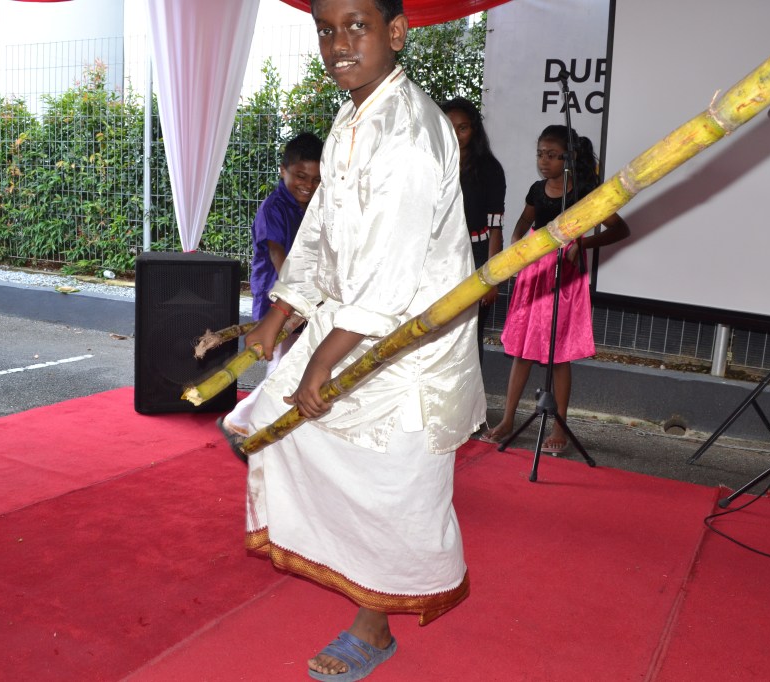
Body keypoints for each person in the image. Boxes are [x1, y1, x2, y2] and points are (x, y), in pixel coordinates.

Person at [240, 0, 484, 679]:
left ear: (395, 33)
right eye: (326, 29)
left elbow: (390, 275)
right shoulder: (353, 114)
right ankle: (349, 574)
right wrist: (280, 311)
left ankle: (373, 626)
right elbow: (321, 225)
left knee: (392, 486)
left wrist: (318, 359)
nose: (338, 43)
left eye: (357, 25)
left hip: (407, 344)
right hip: (352, 322)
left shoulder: (409, 133)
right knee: (283, 428)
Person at [482, 125, 630, 451]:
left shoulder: (584, 192)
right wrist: (517, 240)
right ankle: (508, 419)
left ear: (569, 158)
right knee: (522, 350)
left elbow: (621, 229)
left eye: (552, 155)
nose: (543, 161)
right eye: (540, 154)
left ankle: (559, 427)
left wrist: (583, 243)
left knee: (558, 354)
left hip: (564, 275)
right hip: (534, 273)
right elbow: (525, 221)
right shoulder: (537, 189)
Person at [218, 132, 323, 447]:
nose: (308, 184)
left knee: (290, 365)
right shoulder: (273, 208)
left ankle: (253, 423)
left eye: (317, 179)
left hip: (305, 300)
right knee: (282, 367)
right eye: (300, 176)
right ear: (283, 170)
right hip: (278, 300)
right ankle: (240, 421)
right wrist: (296, 298)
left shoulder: (315, 208)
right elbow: (279, 256)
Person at [440, 97, 506, 364]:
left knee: (470, 332)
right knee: (438, 331)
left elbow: (496, 226)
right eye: (450, 127)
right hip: (438, 257)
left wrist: (491, 277)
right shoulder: (432, 164)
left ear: (474, 130)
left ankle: (471, 390)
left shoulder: (489, 169)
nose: (456, 134)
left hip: (476, 256)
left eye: (463, 128)